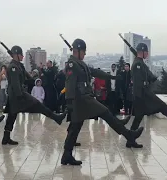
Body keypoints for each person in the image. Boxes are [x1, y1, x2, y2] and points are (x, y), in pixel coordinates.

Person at [61, 38, 144, 166]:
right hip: (81, 100)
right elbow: (70, 85)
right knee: (105, 112)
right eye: (83, 51)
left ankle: (66, 155)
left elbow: (95, 72)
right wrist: (71, 104)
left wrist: (112, 76)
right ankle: (129, 135)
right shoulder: (72, 64)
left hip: (84, 99)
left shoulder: (80, 63)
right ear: (77, 51)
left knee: (75, 128)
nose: (84, 54)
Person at [2, 45, 67, 145]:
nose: (22, 57)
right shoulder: (13, 67)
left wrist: (36, 80)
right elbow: (15, 83)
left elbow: (27, 78)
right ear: (16, 55)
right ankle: (56, 117)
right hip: (17, 94)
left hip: (16, 94)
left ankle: (5, 138)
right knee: (37, 104)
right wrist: (20, 96)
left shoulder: (18, 65)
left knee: (12, 115)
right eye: (21, 55)